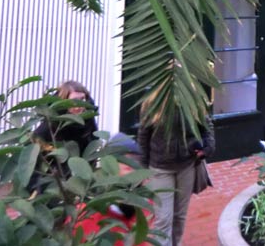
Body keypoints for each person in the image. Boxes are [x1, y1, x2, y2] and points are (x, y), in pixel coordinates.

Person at [136, 93, 215, 246]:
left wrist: (208, 148)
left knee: (179, 216)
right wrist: (142, 169)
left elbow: (206, 127)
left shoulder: (193, 99)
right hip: (160, 168)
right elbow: (143, 135)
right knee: (163, 218)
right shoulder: (153, 101)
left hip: (186, 166)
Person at [74, 132, 150, 244]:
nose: (131, 164)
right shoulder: (87, 213)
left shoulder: (144, 209)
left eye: (135, 159)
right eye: (123, 159)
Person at [29, 80, 99, 194]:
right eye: (74, 101)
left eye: (82, 99)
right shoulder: (50, 126)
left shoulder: (88, 120)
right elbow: (33, 161)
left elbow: (93, 144)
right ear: (63, 102)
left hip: (80, 180)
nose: (80, 105)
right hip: (53, 183)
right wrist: (35, 189)